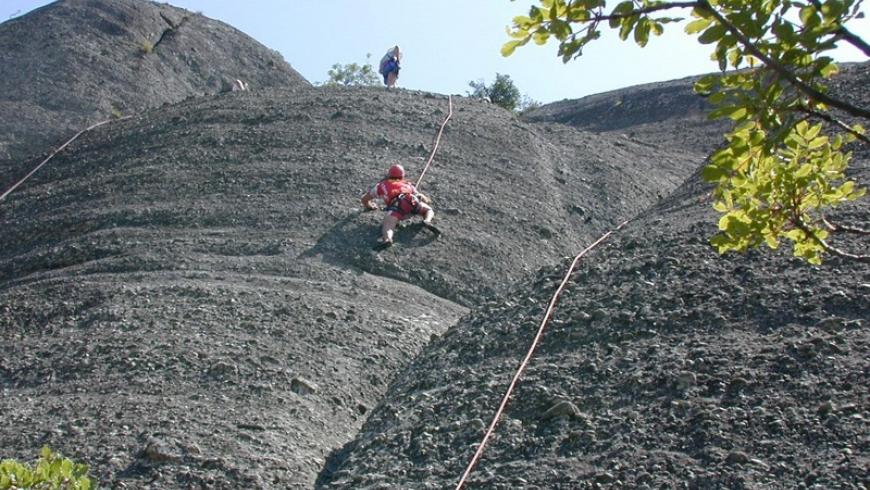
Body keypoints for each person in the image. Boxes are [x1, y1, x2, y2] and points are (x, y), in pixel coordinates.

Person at [361, 163, 439, 247]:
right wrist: (424, 198)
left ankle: (387, 239)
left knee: (388, 225)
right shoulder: (408, 184)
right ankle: (427, 220)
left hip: (397, 206)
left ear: (388, 175)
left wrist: (369, 206)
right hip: (412, 202)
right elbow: (423, 199)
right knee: (428, 210)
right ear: (402, 176)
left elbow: (364, 199)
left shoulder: (381, 186)